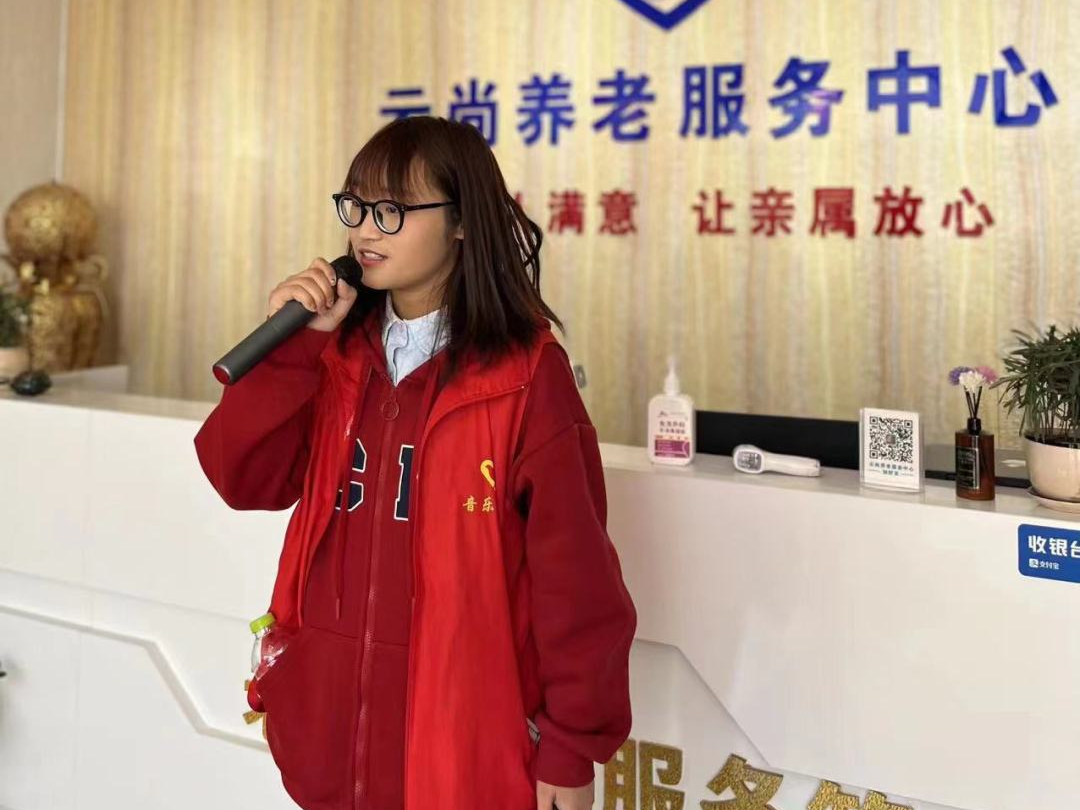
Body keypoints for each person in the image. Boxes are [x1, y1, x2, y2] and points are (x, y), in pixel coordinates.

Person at [194, 115, 636, 810]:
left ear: (461, 222)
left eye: (393, 209)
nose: (366, 230)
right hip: (329, 737)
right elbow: (241, 478)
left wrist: (571, 746)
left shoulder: (525, 374)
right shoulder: (334, 352)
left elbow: (575, 580)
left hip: (460, 738)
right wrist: (293, 351)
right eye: (356, 206)